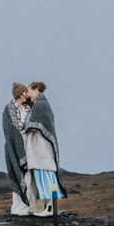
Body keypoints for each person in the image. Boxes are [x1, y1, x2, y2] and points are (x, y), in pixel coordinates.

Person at [21, 81, 68, 216]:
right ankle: (48, 206)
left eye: (29, 91)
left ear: (36, 90)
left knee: (44, 173)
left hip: (41, 145)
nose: (28, 94)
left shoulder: (40, 104)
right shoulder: (41, 103)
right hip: (41, 145)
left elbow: (31, 124)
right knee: (44, 173)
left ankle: (49, 207)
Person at [3, 82, 39, 216]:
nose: (27, 95)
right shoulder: (9, 109)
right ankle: (19, 208)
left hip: (29, 142)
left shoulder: (29, 107)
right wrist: (16, 146)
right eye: (25, 92)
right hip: (15, 144)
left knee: (31, 176)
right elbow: (9, 130)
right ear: (19, 94)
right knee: (19, 176)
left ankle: (32, 207)